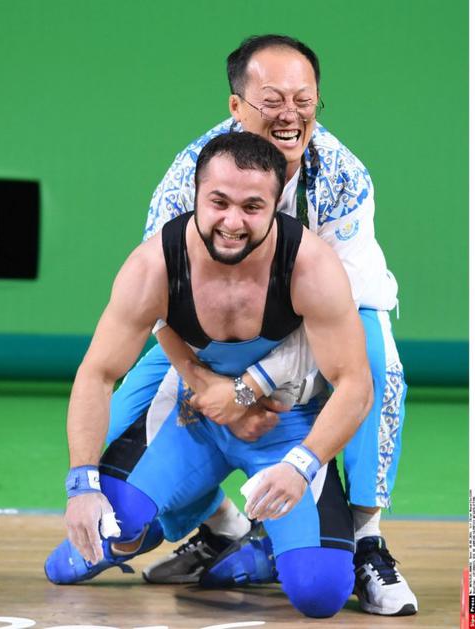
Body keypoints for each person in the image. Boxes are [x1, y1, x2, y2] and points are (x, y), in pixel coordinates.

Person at [109, 35, 417, 616]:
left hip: (313, 329)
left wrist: (250, 388)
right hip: (208, 339)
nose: (290, 115)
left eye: (304, 100)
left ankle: (366, 540)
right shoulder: (189, 177)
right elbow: (157, 301)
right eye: (272, 99)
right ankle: (222, 528)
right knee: (115, 432)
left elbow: (341, 316)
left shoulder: (343, 177)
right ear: (236, 106)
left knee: (376, 358)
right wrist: (205, 384)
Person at [45, 132, 373, 620]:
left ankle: (268, 549)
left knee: (320, 592)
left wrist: (301, 465)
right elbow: (97, 373)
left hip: (284, 428)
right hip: (192, 416)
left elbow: (355, 384)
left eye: (252, 207)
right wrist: (81, 486)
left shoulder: (310, 266)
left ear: (276, 205)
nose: (232, 222)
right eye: (218, 202)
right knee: (87, 547)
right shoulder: (154, 265)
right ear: (196, 195)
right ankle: (174, 525)